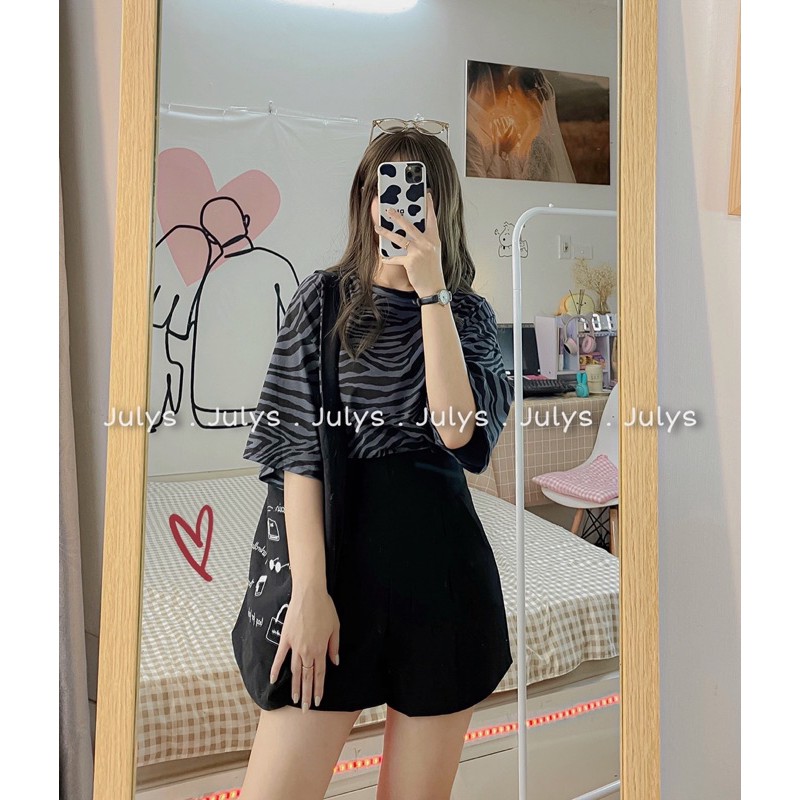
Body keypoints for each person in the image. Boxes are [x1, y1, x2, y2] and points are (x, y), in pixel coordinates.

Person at [238, 125, 514, 800]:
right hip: (334, 572)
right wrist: (309, 592)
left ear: (439, 204)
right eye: (383, 188)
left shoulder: (469, 316)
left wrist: (433, 294)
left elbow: (461, 435)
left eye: (415, 192)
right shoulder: (321, 300)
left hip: (441, 580)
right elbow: (297, 452)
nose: (396, 206)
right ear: (365, 200)